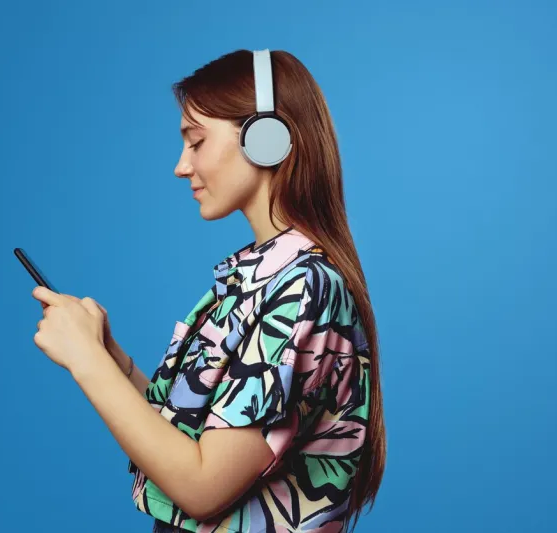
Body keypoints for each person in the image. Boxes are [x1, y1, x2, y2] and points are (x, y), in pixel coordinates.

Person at [31, 49, 386, 533]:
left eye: (196, 142)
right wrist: (112, 359)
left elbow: (203, 487)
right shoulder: (256, 279)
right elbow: (192, 438)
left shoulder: (303, 288)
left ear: (266, 139)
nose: (181, 166)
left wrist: (85, 361)